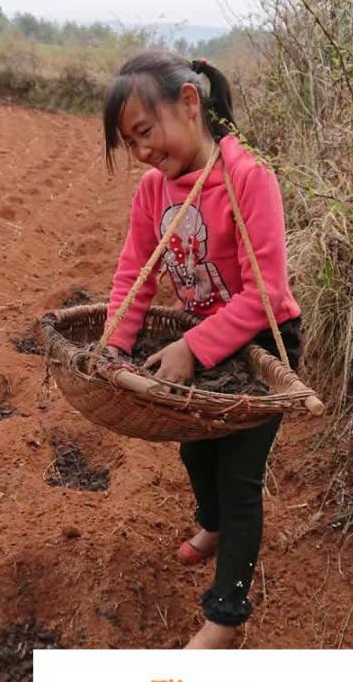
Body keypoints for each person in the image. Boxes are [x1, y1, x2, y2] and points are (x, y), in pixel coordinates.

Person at [102, 50, 302, 649]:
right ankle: (211, 525)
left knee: (240, 476)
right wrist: (112, 346)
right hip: (202, 343)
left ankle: (226, 614)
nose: (142, 151)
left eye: (145, 132)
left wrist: (194, 346)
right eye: (129, 142)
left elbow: (267, 292)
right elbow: (132, 275)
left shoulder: (248, 178)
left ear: (190, 104)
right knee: (195, 452)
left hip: (263, 345)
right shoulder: (152, 193)